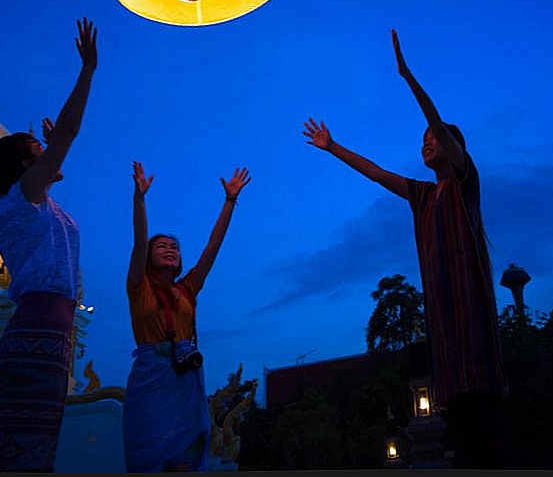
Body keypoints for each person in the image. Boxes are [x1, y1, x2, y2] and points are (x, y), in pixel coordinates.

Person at [302, 29, 507, 468]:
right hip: (448, 342)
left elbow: (441, 131)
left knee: (487, 434)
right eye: (423, 139)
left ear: (453, 150)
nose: (426, 142)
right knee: (463, 441)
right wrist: (333, 146)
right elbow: (376, 172)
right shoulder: (423, 196)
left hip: (475, 340)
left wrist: (407, 77)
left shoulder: (464, 184)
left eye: (434, 137)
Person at [0, 17, 97, 472]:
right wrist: (87, 72)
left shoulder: (38, 204)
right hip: (38, 323)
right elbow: (66, 134)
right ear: (25, 163)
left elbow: (57, 149)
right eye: (37, 149)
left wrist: (47, 153)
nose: (47, 151)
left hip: (55, 326)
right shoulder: (17, 203)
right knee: (20, 442)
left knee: (39, 439)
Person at [122, 160, 251, 472]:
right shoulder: (139, 287)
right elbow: (140, 242)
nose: (170, 249)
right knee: (151, 454)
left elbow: (212, 247)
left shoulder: (187, 289)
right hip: (153, 376)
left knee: (187, 458)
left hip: (186, 378)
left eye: (175, 247)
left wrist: (230, 200)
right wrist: (139, 199)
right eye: (162, 246)